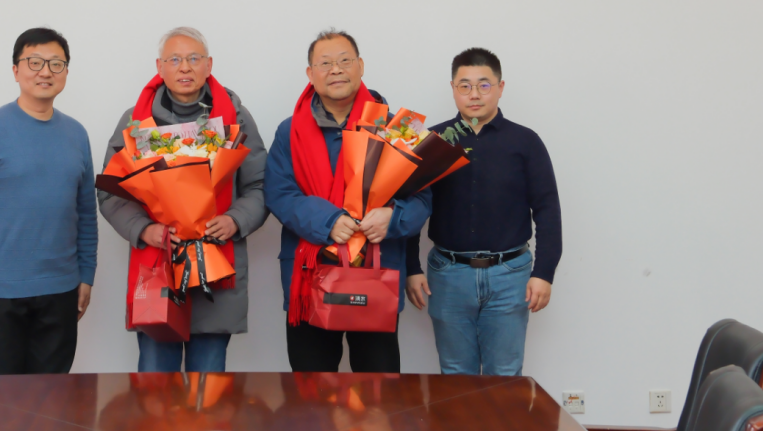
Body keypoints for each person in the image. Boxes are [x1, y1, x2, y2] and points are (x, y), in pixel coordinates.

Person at [100, 27, 268, 372]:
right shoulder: (137, 122)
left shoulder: (235, 117)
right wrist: (144, 230)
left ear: (209, 65)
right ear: (159, 67)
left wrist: (235, 219)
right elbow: (111, 190)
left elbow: (261, 184)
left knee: (208, 385)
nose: (185, 67)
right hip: (158, 263)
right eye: (175, 59)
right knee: (155, 385)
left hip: (216, 267)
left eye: (194, 58)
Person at [264, 29, 432, 372]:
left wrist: (393, 218)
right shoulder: (289, 130)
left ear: (361, 66)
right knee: (311, 389)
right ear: (310, 74)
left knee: (377, 389)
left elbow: (422, 196)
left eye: (344, 60)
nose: (336, 70)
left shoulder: (396, 127)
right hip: (310, 273)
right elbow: (279, 193)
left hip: (376, 271)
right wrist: (327, 222)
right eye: (325, 63)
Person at [0, 27, 97, 375]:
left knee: (53, 399)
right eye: (35, 62)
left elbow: (86, 214)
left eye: (56, 63)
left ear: (66, 72)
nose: (46, 71)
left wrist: (86, 274)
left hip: (61, 289)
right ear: (16, 70)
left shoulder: (76, 134)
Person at [406, 47, 562, 376]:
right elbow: (411, 206)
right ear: (453, 89)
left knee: (504, 375)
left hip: (510, 274)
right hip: (448, 274)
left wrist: (543, 273)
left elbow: (548, 210)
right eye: (464, 86)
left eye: (484, 85)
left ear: (500, 88)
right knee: (454, 374)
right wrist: (411, 268)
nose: (474, 94)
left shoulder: (526, 142)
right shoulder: (432, 141)